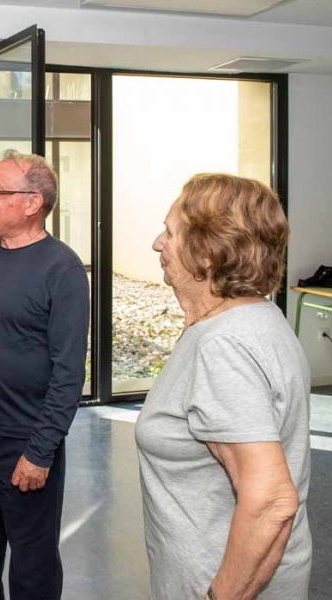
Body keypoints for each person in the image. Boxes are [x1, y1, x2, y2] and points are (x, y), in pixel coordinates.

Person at [136, 173, 312, 599]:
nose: (158, 244)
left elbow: (272, 501)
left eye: (171, 232)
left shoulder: (224, 346)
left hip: (220, 583)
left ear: (207, 253)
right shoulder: (256, 319)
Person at [0, 150, 90, 600]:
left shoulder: (62, 269)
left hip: (23, 441)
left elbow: (69, 373)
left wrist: (41, 451)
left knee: (32, 561)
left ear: (32, 203)